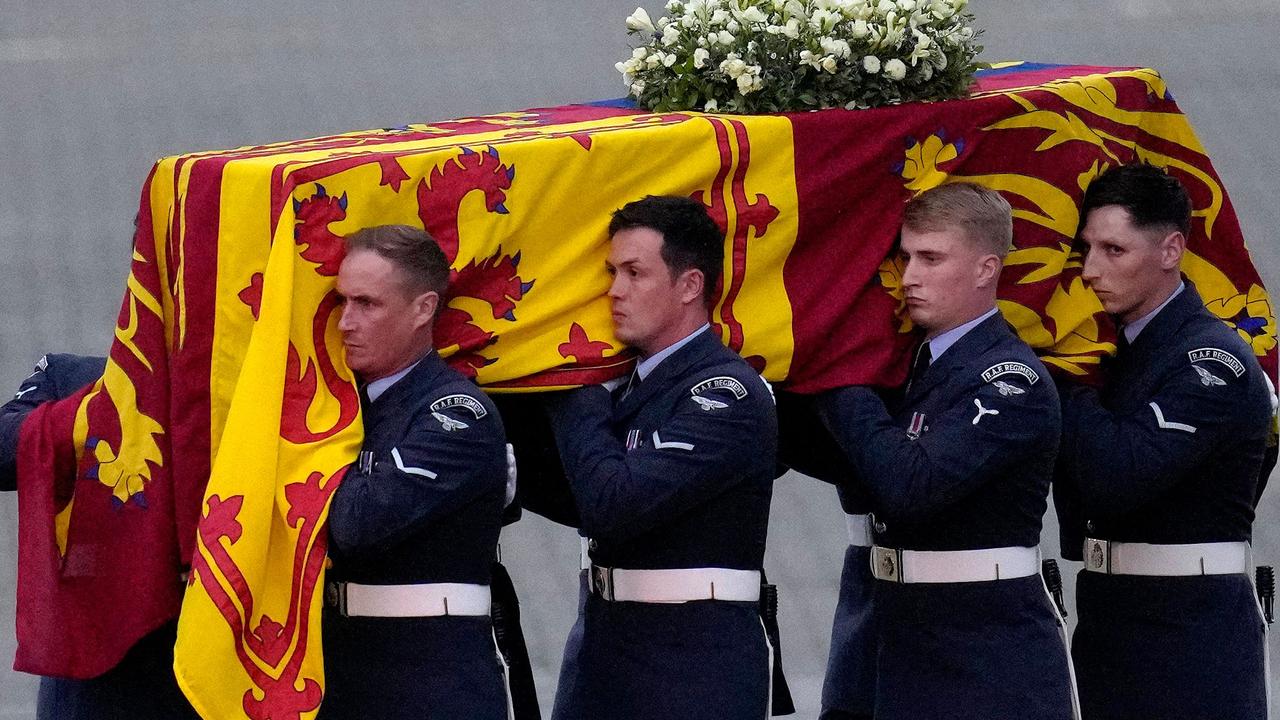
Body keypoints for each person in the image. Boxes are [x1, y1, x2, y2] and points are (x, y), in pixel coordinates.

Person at [812, 182, 1077, 720]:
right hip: (881, 634)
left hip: (979, 652)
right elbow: (836, 457)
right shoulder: (903, 364)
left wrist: (840, 378)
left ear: (985, 269)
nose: (908, 277)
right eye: (905, 257)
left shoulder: (1011, 379)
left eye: (931, 258)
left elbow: (912, 485)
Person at [542, 195, 778, 720]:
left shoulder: (723, 393)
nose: (614, 291)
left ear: (690, 285)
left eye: (634, 273)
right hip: (602, 648)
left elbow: (613, 505)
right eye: (611, 272)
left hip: (691, 665)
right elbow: (576, 494)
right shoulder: (629, 385)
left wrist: (570, 387)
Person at [1053, 163, 1274, 720]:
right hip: (1109, 617)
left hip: (1190, 632)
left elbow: (1117, 475)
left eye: (1114, 250)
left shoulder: (1211, 362)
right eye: (1087, 249)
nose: (1090, 270)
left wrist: (1064, 380)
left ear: (1171, 249)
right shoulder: (1120, 349)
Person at [319, 224, 516, 719]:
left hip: (431, 683)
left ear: (423, 309)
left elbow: (356, 526)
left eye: (367, 304)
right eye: (342, 302)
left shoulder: (455, 413)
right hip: (341, 677)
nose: (346, 322)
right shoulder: (338, 405)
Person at [2, 352, 203, 720]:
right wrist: (100, 412)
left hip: (208, 665)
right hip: (94, 679)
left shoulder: (248, 393)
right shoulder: (72, 375)